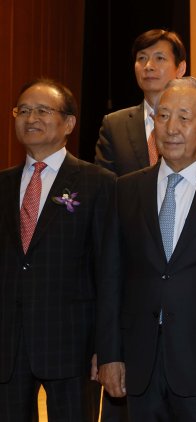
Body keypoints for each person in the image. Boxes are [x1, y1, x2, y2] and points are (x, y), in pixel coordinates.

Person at [96, 77, 196, 420]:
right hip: (139, 363)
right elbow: (111, 278)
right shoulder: (126, 190)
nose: (171, 128)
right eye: (162, 116)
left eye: (184, 118)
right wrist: (110, 353)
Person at [0, 79, 115, 421]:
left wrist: (105, 347)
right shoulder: (2, 184)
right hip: (7, 346)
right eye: (23, 110)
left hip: (71, 345)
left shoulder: (97, 183)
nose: (30, 117)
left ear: (68, 123)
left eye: (42, 110)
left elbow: (108, 271)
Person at [95, 29, 187, 176]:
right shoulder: (114, 125)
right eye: (142, 58)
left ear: (180, 68)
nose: (148, 66)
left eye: (159, 58)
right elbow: (103, 185)